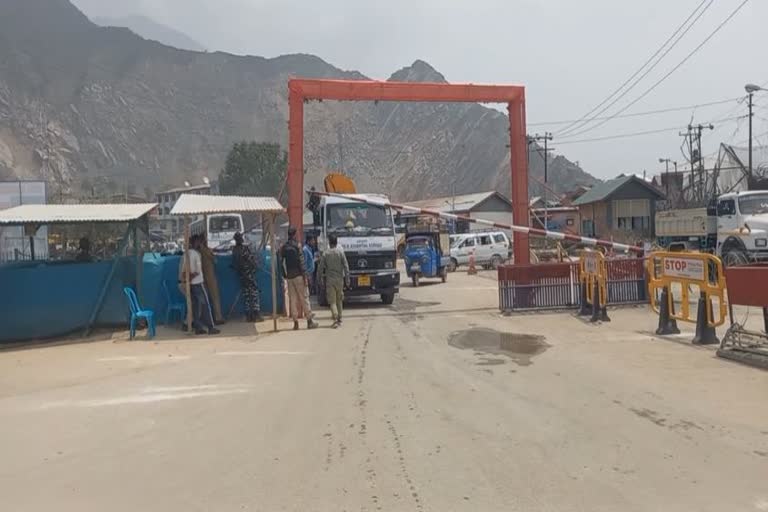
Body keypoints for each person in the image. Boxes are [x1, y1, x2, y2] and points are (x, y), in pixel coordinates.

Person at [279, 226, 318, 330]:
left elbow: (281, 262)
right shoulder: (298, 246)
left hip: (289, 277)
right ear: (295, 235)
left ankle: (295, 322)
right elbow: (302, 262)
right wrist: (305, 276)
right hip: (299, 276)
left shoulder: (284, 247)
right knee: (304, 298)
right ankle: (309, 321)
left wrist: (284, 275)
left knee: (293, 299)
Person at [180, 235, 220, 335]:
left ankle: (198, 327)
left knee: (195, 306)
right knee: (205, 305)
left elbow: (184, 271)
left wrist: (187, 280)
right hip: (197, 283)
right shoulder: (197, 254)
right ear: (196, 243)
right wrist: (190, 278)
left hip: (190, 284)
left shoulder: (186, 254)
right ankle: (211, 327)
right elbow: (197, 271)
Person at [317, 233, 350, 328]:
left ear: (329, 242)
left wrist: (319, 279)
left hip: (330, 280)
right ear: (336, 242)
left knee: (332, 301)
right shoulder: (340, 253)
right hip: (340, 279)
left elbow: (320, 268)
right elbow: (346, 267)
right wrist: (347, 279)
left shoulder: (325, 254)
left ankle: (335, 318)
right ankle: (340, 317)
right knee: (339, 299)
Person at [232, 232, 263, 322]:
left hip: (241, 275)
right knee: (254, 294)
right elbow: (251, 260)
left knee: (246, 295)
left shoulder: (234, 250)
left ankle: (249, 315)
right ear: (240, 239)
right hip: (249, 274)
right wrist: (255, 265)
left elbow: (234, 264)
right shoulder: (244, 249)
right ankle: (256, 314)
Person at [198, 234, 224, 324]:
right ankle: (218, 318)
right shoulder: (207, 250)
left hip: (200, 278)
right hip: (210, 277)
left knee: (202, 300)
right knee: (215, 298)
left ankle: (202, 318)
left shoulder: (197, 252)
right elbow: (215, 261)